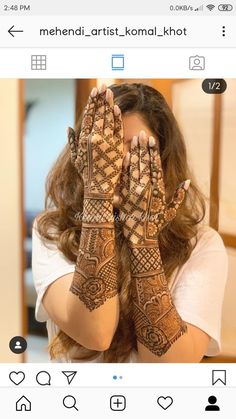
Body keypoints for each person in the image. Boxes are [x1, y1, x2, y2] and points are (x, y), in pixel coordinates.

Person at [32, 83, 228, 363]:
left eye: (136, 147)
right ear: (83, 151)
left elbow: (169, 367)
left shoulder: (201, 244)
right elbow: (95, 333)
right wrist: (97, 194)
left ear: (163, 159)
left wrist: (143, 239)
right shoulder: (51, 230)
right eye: (108, 145)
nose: (117, 160)